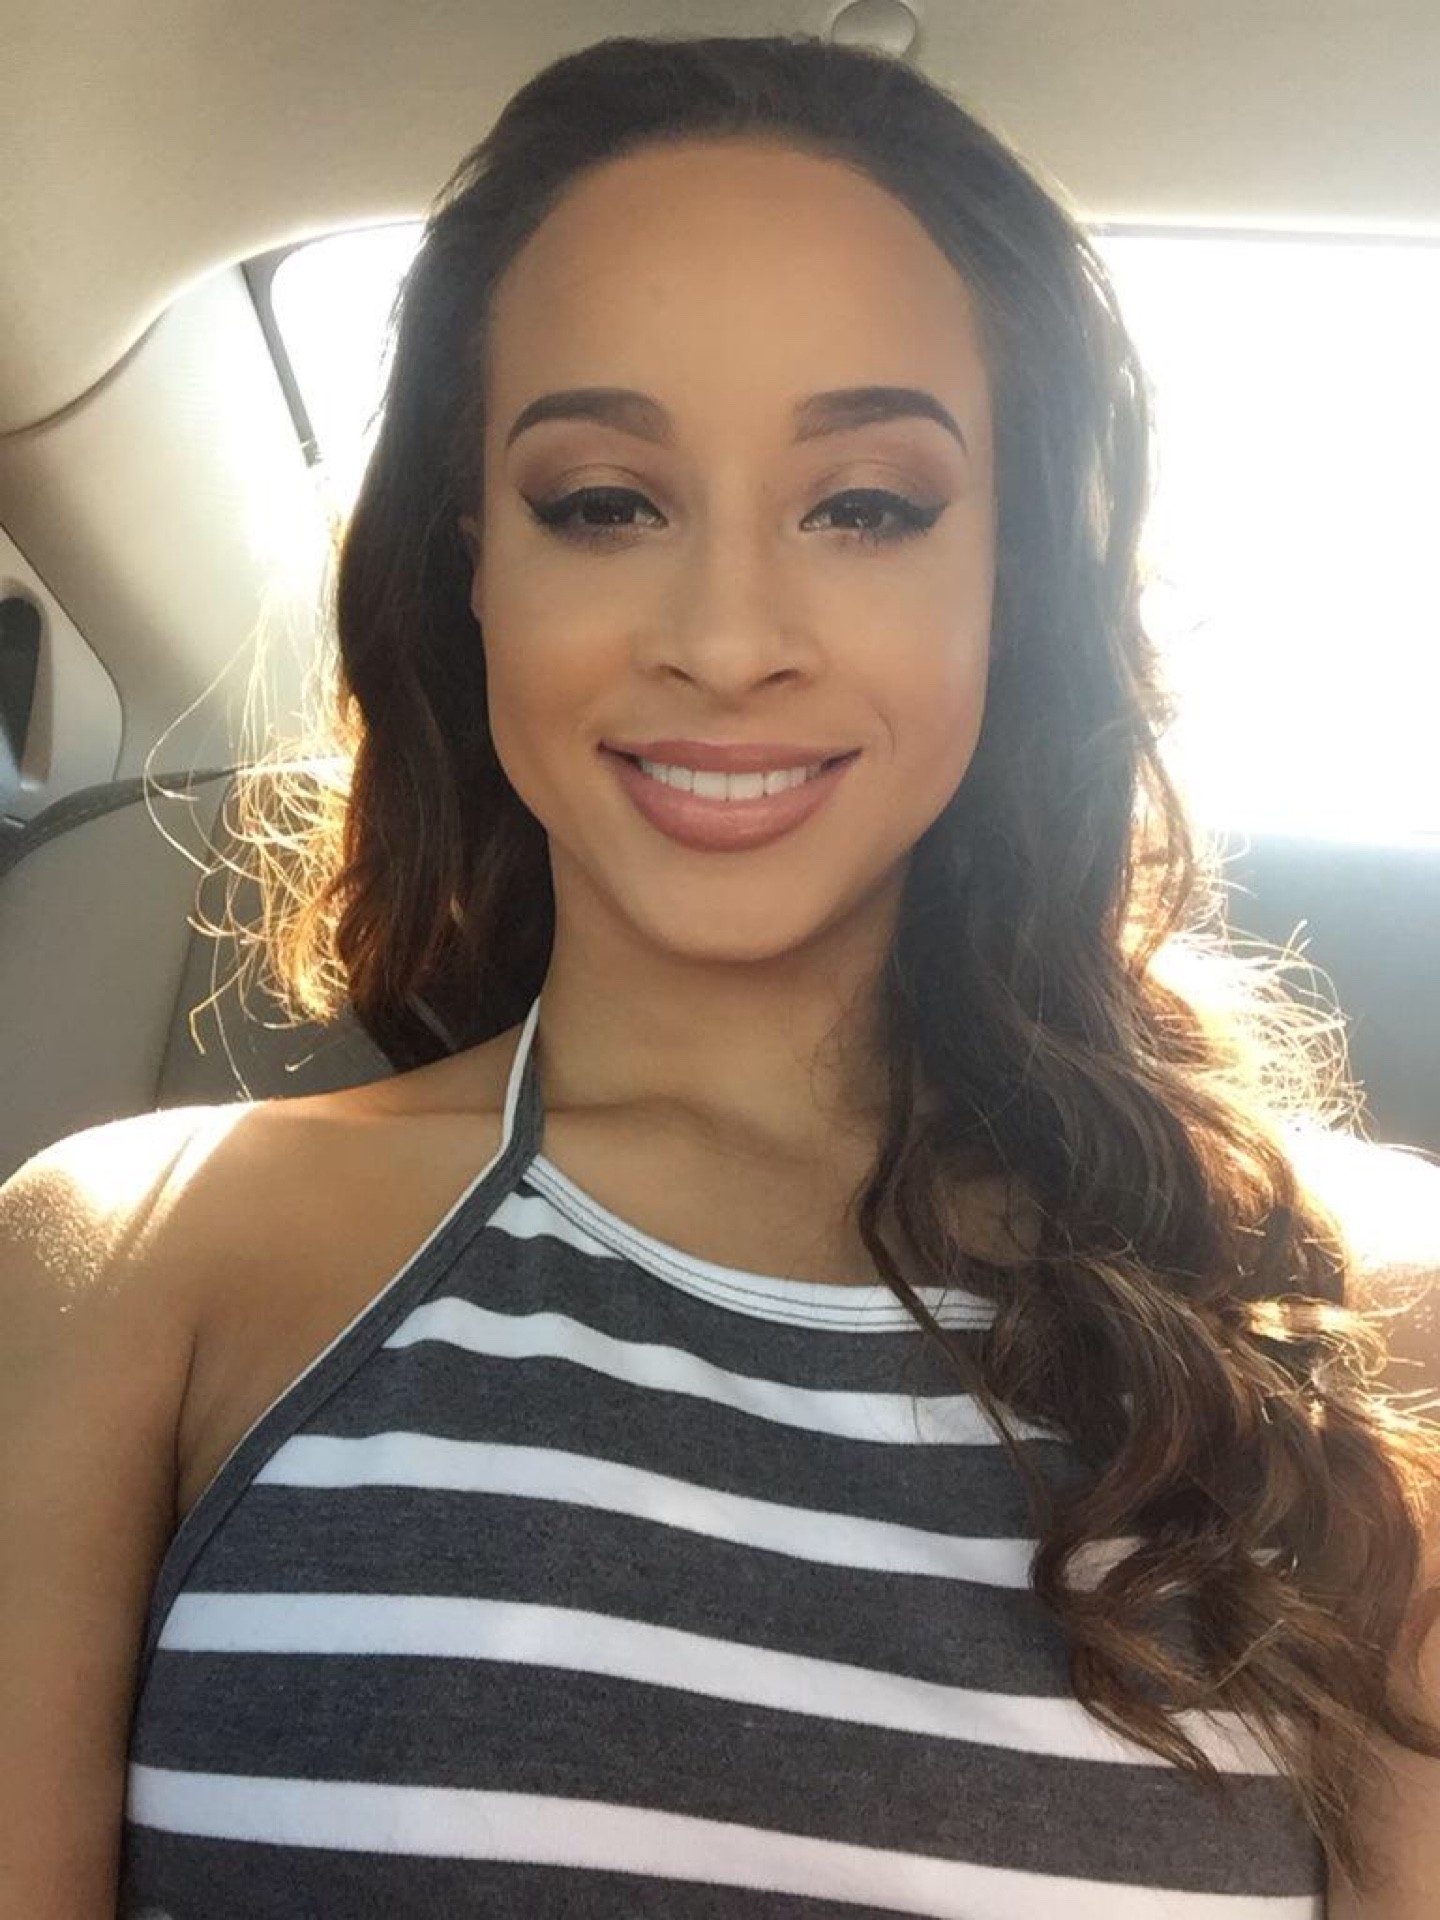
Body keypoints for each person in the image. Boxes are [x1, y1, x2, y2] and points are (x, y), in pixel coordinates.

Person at [5, 29, 1440, 1920]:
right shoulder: (139, 1261)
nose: (730, 638)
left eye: (869, 506)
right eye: (605, 501)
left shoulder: (1356, 1324)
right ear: (475, 563)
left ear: (1016, 577)